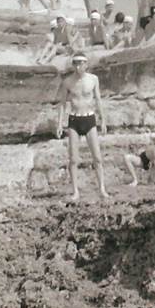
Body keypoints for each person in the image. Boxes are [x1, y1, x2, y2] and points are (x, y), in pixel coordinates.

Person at [55, 53, 110, 201]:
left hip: (89, 119)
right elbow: (62, 104)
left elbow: (98, 100)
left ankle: (102, 189)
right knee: (73, 159)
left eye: (81, 63)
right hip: (74, 120)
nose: (78, 66)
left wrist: (103, 120)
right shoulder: (67, 82)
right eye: (75, 63)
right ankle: (75, 192)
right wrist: (60, 124)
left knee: (97, 158)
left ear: (86, 64)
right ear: (73, 65)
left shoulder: (93, 79)